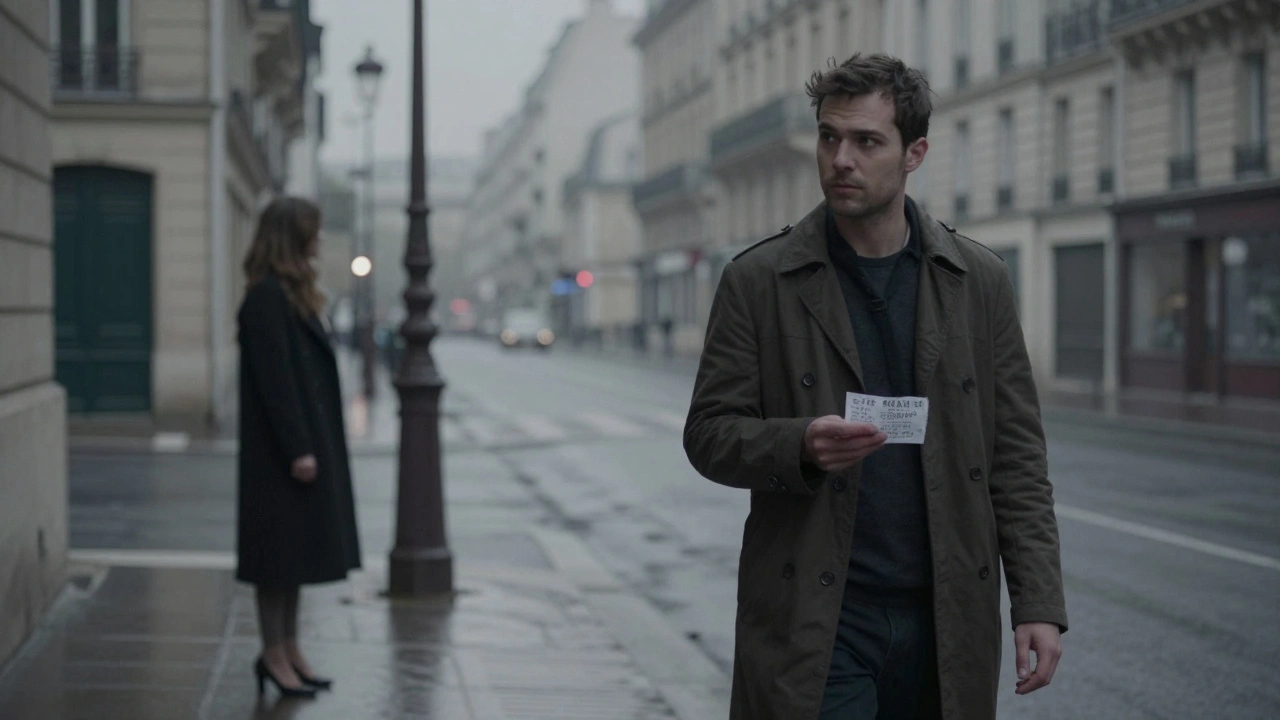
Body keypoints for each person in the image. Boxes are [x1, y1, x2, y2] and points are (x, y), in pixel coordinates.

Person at [683, 53, 1067, 720]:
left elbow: (1017, 459)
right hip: (820, 618)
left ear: (914, 152)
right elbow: (709, 435)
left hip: (946, 616)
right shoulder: (759, 280)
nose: (841, 159)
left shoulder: (977, 280)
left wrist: (1037, 603)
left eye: (866, 141)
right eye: (829, 137)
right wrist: (798, 444)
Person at [236, 197, 361, 699]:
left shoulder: (290, 294)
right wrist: (298, 449)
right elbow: (277, 382)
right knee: (277, 559)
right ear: (291, 236)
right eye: (314, 230)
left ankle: (288, 649)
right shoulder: (266, 298)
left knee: (295, 558)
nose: (321, 239)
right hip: (280, 454)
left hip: (301, 446)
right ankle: (272, 653)